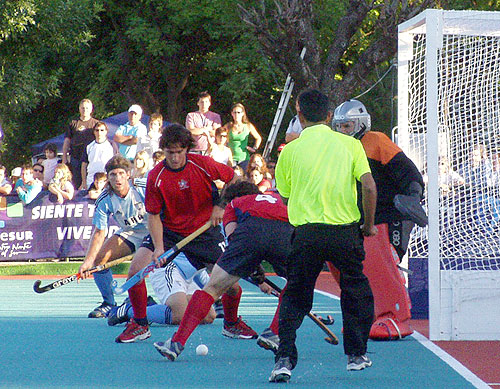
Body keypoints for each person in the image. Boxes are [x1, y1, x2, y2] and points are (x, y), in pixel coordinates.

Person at [271, 89, 377, 382]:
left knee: (295, 295)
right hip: (345, 231)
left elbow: (286, 195)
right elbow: (369, 187)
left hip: (306, 233)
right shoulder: (350, 145)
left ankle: (284, 358)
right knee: (356, 292)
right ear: (330, 116)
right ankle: (355, 354)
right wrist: (367, 225)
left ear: (299, 115)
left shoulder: (290, 151)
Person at [114, 123, 249, 344]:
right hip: (169, 233)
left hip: (205, 234)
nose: (175, 157)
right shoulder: (156, 177)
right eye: (170, 152)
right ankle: (139, 323)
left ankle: (231, 324)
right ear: (163, 151)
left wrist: (221, 205)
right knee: (136, 270)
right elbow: (154, 215)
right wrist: (158, 247)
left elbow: (233, 178)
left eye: (179, 152)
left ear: (187, 149)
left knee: (232, 285)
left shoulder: (203, 164)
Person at [153, 180, 292, 361]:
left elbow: (234, 238)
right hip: (285, 231)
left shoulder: (234, 205)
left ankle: (176, 342)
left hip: (250, 234)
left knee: (211, 289)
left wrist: (251, 265)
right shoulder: (278, 199)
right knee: (295, 285)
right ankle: (274, 332)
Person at [333, 99, 426, 340]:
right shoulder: (340, 149)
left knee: (384, 263)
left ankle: (398, 318)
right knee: (359, 268)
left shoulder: (377, 141)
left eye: (347, 125)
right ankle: (367, 316)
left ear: (362, 124)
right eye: (340, 126)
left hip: (390, 214)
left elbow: (409, 172)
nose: (343, 131)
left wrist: (413, 196)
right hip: (360, 218)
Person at [79, 155, 149, 318]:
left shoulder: (142, 187)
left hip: (155, 230)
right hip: (131, 233)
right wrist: (88, 261)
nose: (117, 178)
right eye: (112, 175)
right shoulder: (104, 199)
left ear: (128, 174)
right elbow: (99, 232)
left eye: (120, 174)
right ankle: (109, 303)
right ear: (108, 177)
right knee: (100, 260)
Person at [107, 254, 216, 326]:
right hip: (168, 267)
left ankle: (148, 306)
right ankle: (128, 310)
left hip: (189, 275)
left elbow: (200, 266)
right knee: (180, 315)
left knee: (208, 316)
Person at [63, 99, 99, 188]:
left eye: (87, 108)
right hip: (75, 157)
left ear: (91, 109)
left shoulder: (96, 124)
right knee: (76, 182)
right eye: (83, 108)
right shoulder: (73, 123)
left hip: (90, 158)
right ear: (79, 109)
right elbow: (67, 141)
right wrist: (64, 157)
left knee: (90, 182)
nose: (85, 110)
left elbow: (102, 138)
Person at [80, 122, 116, 190]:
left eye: (102, 130)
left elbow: (116, 164)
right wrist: (84, 182)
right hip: (90, 180)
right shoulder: (89, 146)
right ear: (94, 132)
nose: (99, 132)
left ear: (106, 131)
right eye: (97, 130)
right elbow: (84, 165)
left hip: (106, 181)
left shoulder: (111, 145)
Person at [225, 103, 262, 170]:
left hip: (244, 158)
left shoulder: (248, 126)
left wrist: (254, 148)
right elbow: (220, 135)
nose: (236, 115)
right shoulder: (228, 126)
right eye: (235, 112)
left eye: (238, 112)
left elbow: (258, 138)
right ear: (232, 114)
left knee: (245, 178)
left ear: (242, 113)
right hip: (231, 158)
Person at [185, 91, 222, 155]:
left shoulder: (215, 116)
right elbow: (190, 131)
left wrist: (198, 130)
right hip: (194, 150)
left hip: (210, 150)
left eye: (206, 102)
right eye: (202, 102)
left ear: (210, 103)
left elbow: (216, 133)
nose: (204, 104)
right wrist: (206, 129)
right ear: (198, 103)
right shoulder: (191, 115)